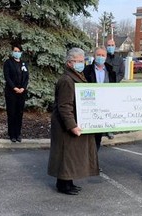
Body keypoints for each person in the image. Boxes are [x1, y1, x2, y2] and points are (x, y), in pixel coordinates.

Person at [47, 48, 99, 195]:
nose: (81, 63)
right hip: (66, 125)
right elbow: (64, 107)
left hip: (75, 120)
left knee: (70, 156)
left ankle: (68, 182)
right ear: (69, 63)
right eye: (78, 61)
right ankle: (63, 185)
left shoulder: (78, 76)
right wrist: (72, 126)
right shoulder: (66, 80)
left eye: (82, 61)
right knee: (66, 155)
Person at [83, 46, 116, 151]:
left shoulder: (111, 71)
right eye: (98, 55)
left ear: (106, 57)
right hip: (89, 107)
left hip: (104, 108)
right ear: (94, 56)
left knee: (98, 137)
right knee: (88, 138)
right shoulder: (86, 70)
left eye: (103, 55)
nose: (100, 57)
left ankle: (93, 162)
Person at [3, 44, 29, 143]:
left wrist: (23, 88)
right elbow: (7, 77)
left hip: (21, 93)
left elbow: (26, 77)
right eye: (15, 51)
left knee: (19, 113)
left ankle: (18, 134)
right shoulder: (8, 63)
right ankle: (12, 134)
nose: (16, 53)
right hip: (11, 92)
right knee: (12, 113)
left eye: (18, 51)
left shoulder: (24, 64)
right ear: (12, 52)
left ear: (21, 52)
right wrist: (14, 88)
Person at [105, 39, 125, 139]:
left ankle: (110, 130)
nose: (110, 47)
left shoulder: (119, 59)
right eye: (109, 45)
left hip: (114, 88)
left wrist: (113, 81)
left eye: (112, 45)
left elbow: (121, 73)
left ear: (115, 46)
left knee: (111, 109)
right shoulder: (103, 58)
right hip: (103, 88)